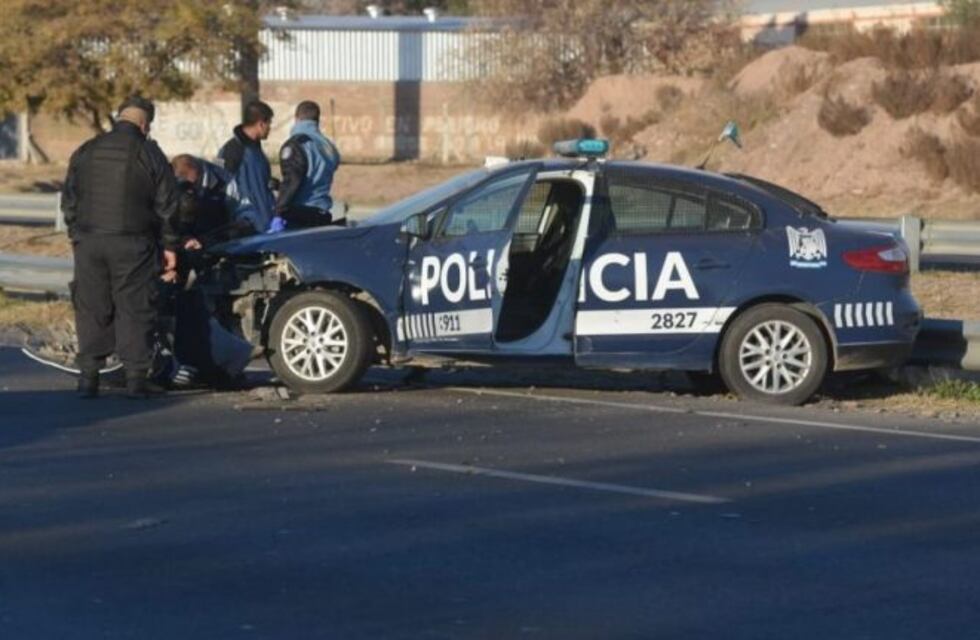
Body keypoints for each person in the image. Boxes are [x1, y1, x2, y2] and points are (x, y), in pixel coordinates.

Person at [61, 95, 179, 399]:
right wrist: (170, 245)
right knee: (134, 306)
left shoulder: (87, 150)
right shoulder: (149, 152)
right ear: (144, 123)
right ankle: (136, 379)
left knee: (91, 305)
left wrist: (77, 234)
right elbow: (168, 204)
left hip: (90, 242)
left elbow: (69, 198)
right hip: (133, 242)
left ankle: (89, 377)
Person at [276, 100, 341, 230]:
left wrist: (278, 210)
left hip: (299, 215)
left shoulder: (296, 145)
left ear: (297, 118)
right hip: (322, 213)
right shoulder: (328, 146)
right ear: (317, 120)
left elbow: (292, 181)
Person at [171, 154, 260, 249]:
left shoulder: (225, 182)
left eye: (191, 183)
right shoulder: (171, 183)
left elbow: (241, 215)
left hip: (219, 240)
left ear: (197, 170)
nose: (190, 190)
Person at [217, 100, 277, 234]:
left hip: (264, 226)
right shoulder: (232, 150)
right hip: (245, 227)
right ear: (261, 124)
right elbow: (221, 189)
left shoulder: (256, 150)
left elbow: (255, 183)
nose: (270, 128)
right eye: (269, 124)